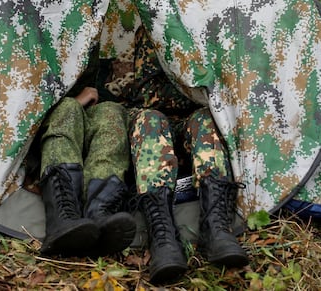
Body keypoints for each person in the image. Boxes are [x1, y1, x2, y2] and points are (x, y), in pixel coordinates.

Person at [108, 25, 248, 283]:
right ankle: (163, 237)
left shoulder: (209, 25)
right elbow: (148, 95)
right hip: (157, 121)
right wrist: (197, 90)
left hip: (194, 120)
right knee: (150, 119)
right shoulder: (152, 29)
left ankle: (216, 228)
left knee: (205, 119)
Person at [38, 86, 136, 257]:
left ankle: (99, 212)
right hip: (49, 129)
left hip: (90, 123)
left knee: (112, 112)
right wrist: (76, 100)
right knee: (68, 107)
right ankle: (62, 217)